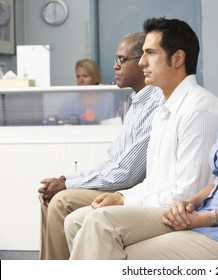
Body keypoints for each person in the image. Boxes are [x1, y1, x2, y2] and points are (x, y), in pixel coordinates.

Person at [66, 13, 218, 260]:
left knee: (110, 239)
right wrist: (190, 203)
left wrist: (204, 217)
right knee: (106, 244)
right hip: (208, 226)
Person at [38, 33, 162, 260]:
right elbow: (111, 162)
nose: (115, 66)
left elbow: (126, 175)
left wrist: (66, 185)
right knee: (50, 197)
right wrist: (65, 179)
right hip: (120, 184)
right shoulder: (135, 103)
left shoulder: (155, 103)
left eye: (122, 60)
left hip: (130, 191)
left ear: (142, 61)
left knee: (60, 200)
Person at [58, 58, 116, 124]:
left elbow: (114, 124)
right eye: (78, 76)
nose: (81, 80)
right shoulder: (70, 101)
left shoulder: (108, 99)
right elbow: (60, 124)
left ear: (95, 77)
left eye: (85, 76)